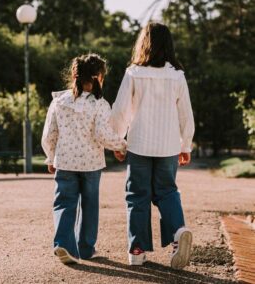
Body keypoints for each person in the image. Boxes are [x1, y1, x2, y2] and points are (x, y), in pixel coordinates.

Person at [110, 22, 195, 269]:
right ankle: (178, 233)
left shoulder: (134, 73)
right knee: (167, 192)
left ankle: (137, 249)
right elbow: (185, 114)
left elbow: (120, 110)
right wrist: (185, 144)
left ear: (143, 43)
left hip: (139, 145)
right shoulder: (177, 76)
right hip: (168, 145)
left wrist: (117, 139)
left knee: (137, 195)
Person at [41, 53, 126, 265]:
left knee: (63, 203)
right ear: (99, 77)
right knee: (90, 206)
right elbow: (102, 134)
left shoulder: (59, 101)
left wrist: (50, 157)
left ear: (74, 75)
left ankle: (63, 243)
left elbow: (49, 134)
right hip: (91, 164)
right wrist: (121, 145)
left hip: (66, 162)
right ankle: (86, 249)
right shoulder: (99, 104)